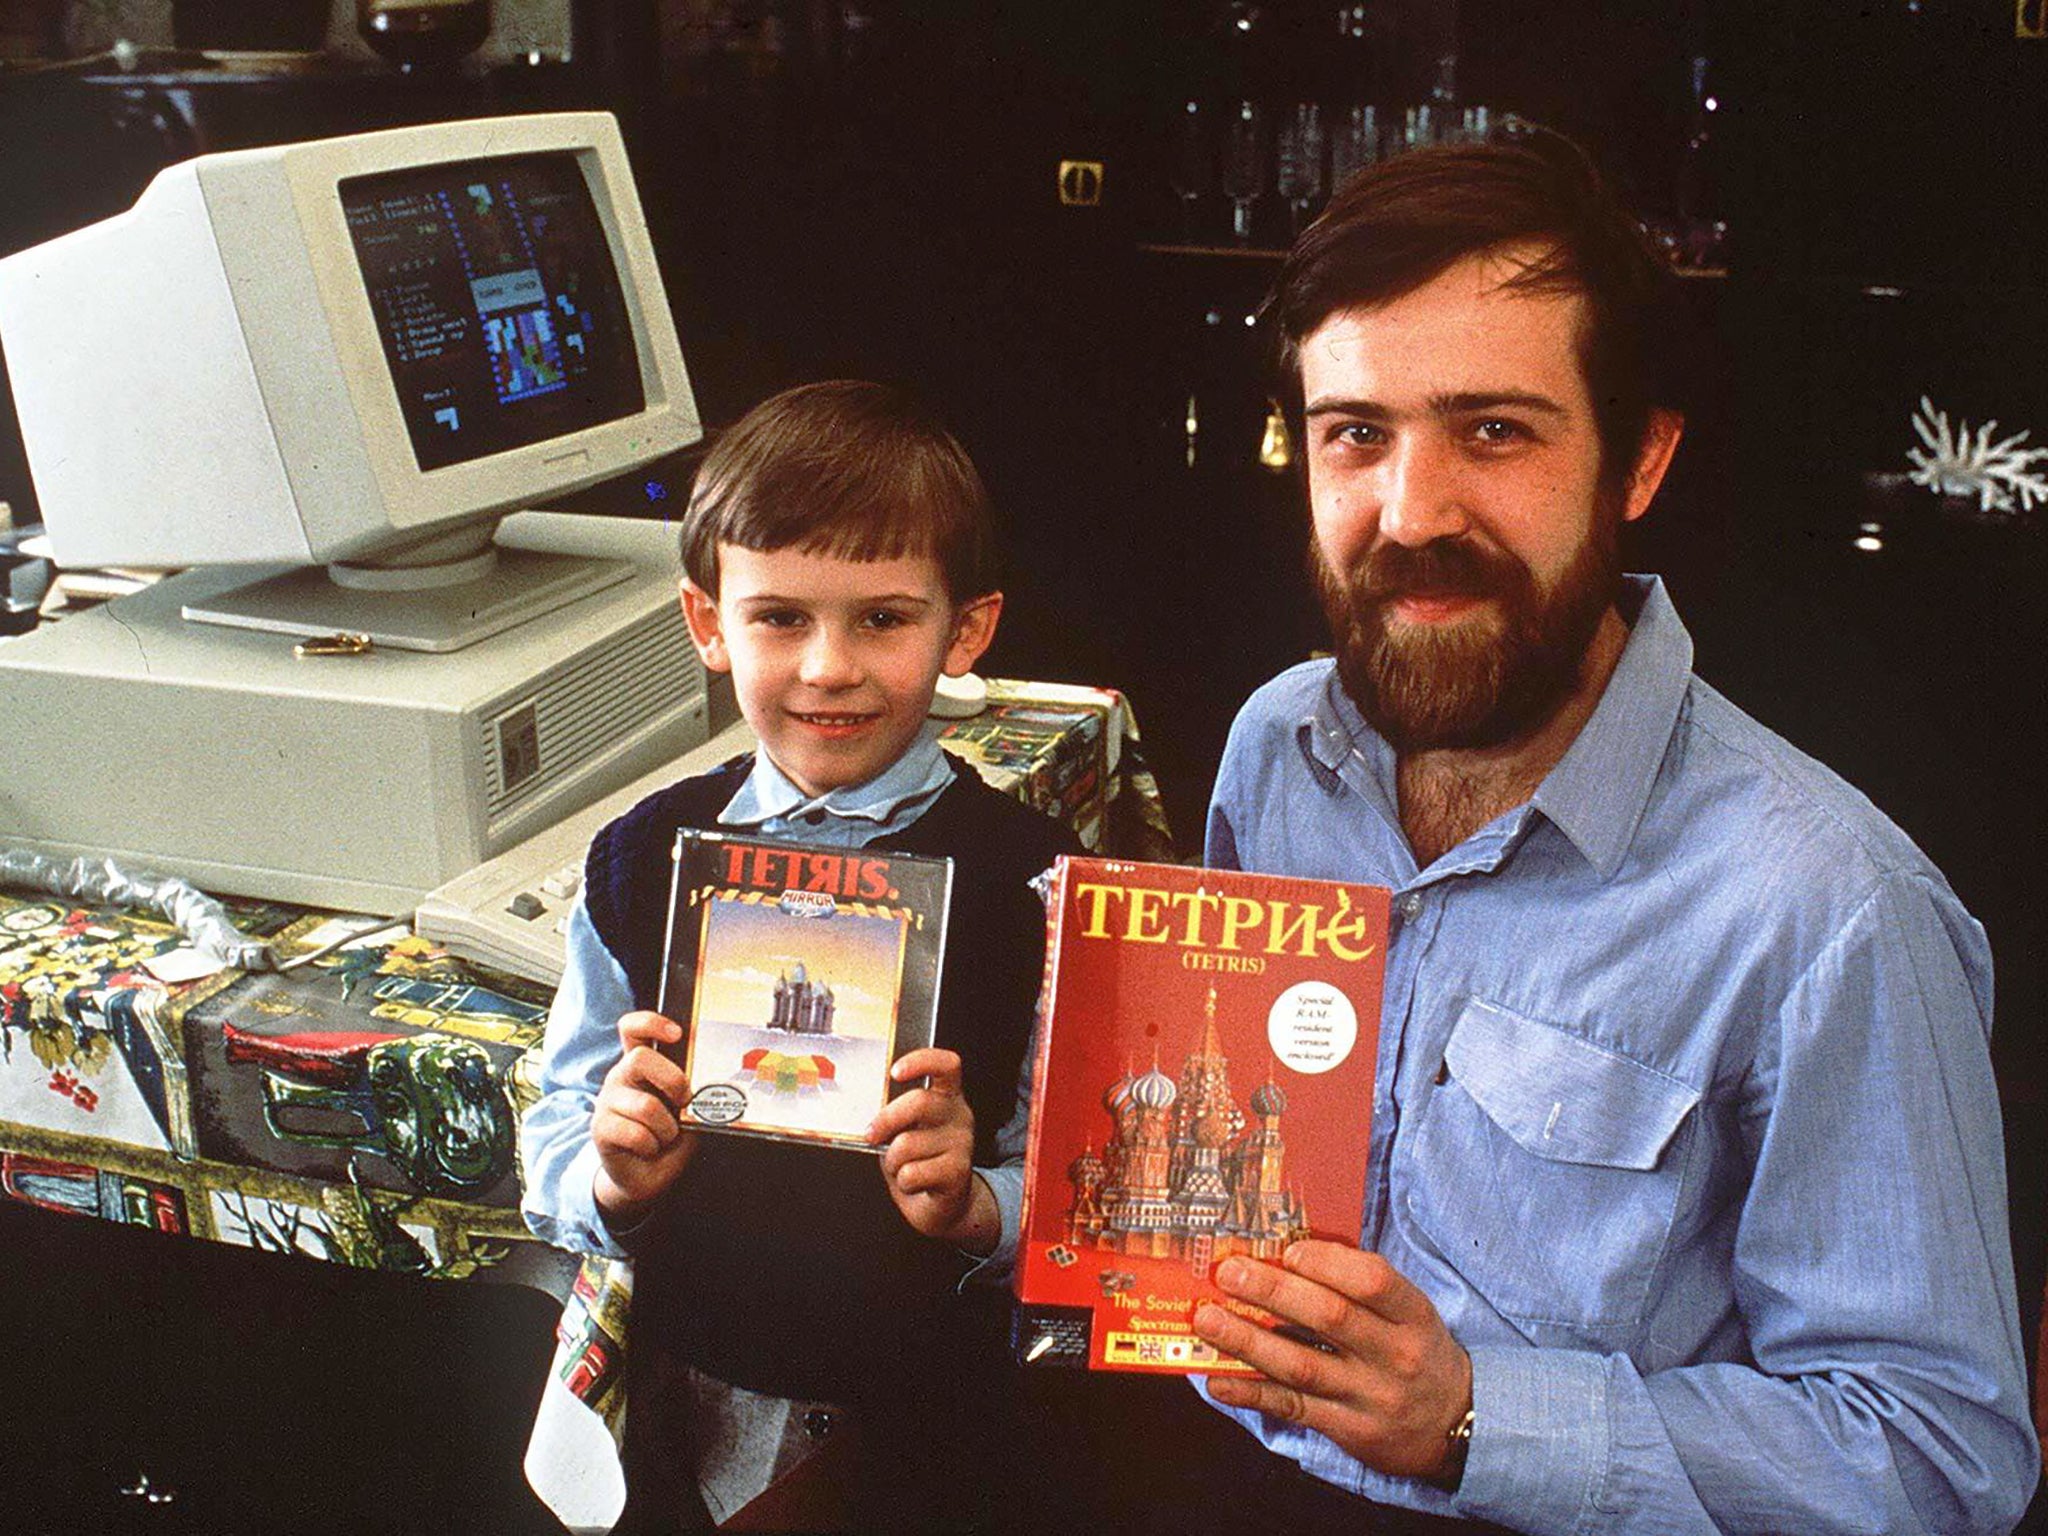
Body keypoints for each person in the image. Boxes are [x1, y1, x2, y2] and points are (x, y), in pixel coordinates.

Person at [1176, 136, 2040, 1535]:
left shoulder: (1830, 906)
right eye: (1358, 434)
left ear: (1638, 460)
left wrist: (1471, 1420)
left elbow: (1943, 1459)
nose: (1413, 513)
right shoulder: (1279, 746)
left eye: (1496, 431)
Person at [520, 379, 1076, 1532]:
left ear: (964, 628)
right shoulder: (638, 857)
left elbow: (1079, 1185)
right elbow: (557, 1133)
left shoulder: (1036, 882)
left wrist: (976, 1204)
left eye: (882, 618)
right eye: (780, 617)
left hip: (936, 1419)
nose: (828, 667)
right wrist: (613, 1176)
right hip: (687, 1397)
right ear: (708, 625)